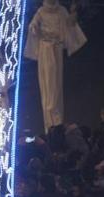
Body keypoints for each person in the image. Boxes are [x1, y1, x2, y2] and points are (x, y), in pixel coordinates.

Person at [24, 0, 86, 131]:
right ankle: (50, 119)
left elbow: (69, 24)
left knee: (56, 85)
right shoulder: (41, 12)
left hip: (56, 49)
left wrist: (73, 13)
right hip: (46, 49)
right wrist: (34, 28)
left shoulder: (61, 11)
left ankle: (57, 120)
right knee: (48, 83)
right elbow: (33, 25)